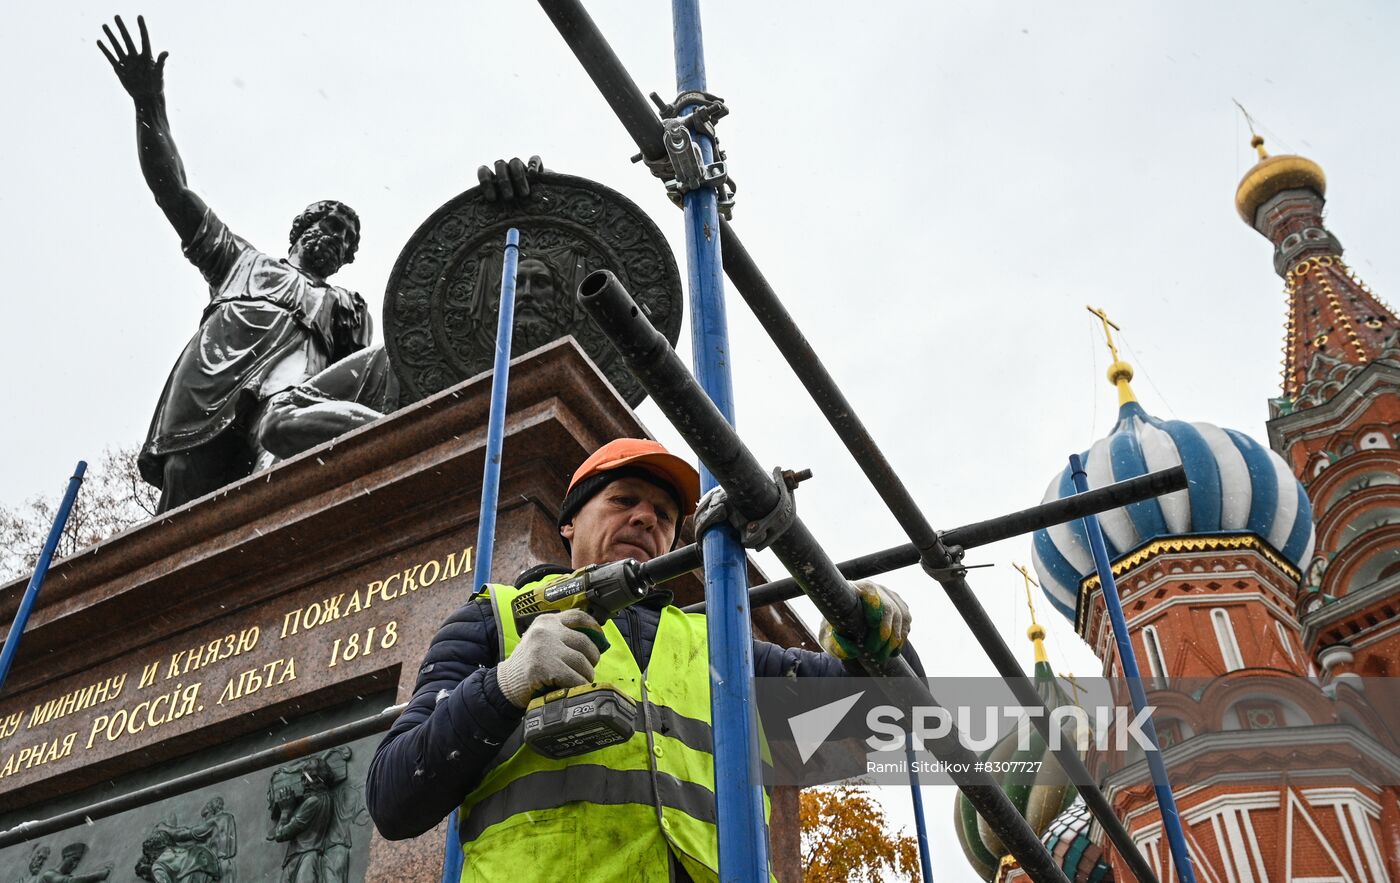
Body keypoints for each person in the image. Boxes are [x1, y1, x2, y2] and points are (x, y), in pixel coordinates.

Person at [366, 438, 916, 881]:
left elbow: (893, 717)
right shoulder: (495, 621)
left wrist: (866, 634)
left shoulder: (720, 642)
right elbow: (395, 798)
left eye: (664, 514)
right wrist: (506, 685)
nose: (645, 519)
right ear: (568, 523)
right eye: (623, 500)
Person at [97, 16, 372, 511]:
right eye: (331, 226)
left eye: (347, 240)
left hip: (290, 402)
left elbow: (362, 381)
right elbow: (173, 190)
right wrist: (148, 103)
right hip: (214, 390)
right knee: (184, 489)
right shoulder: (240, 260)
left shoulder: (348, 306)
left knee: (283, 485)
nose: (338, 239)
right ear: (301, 230)